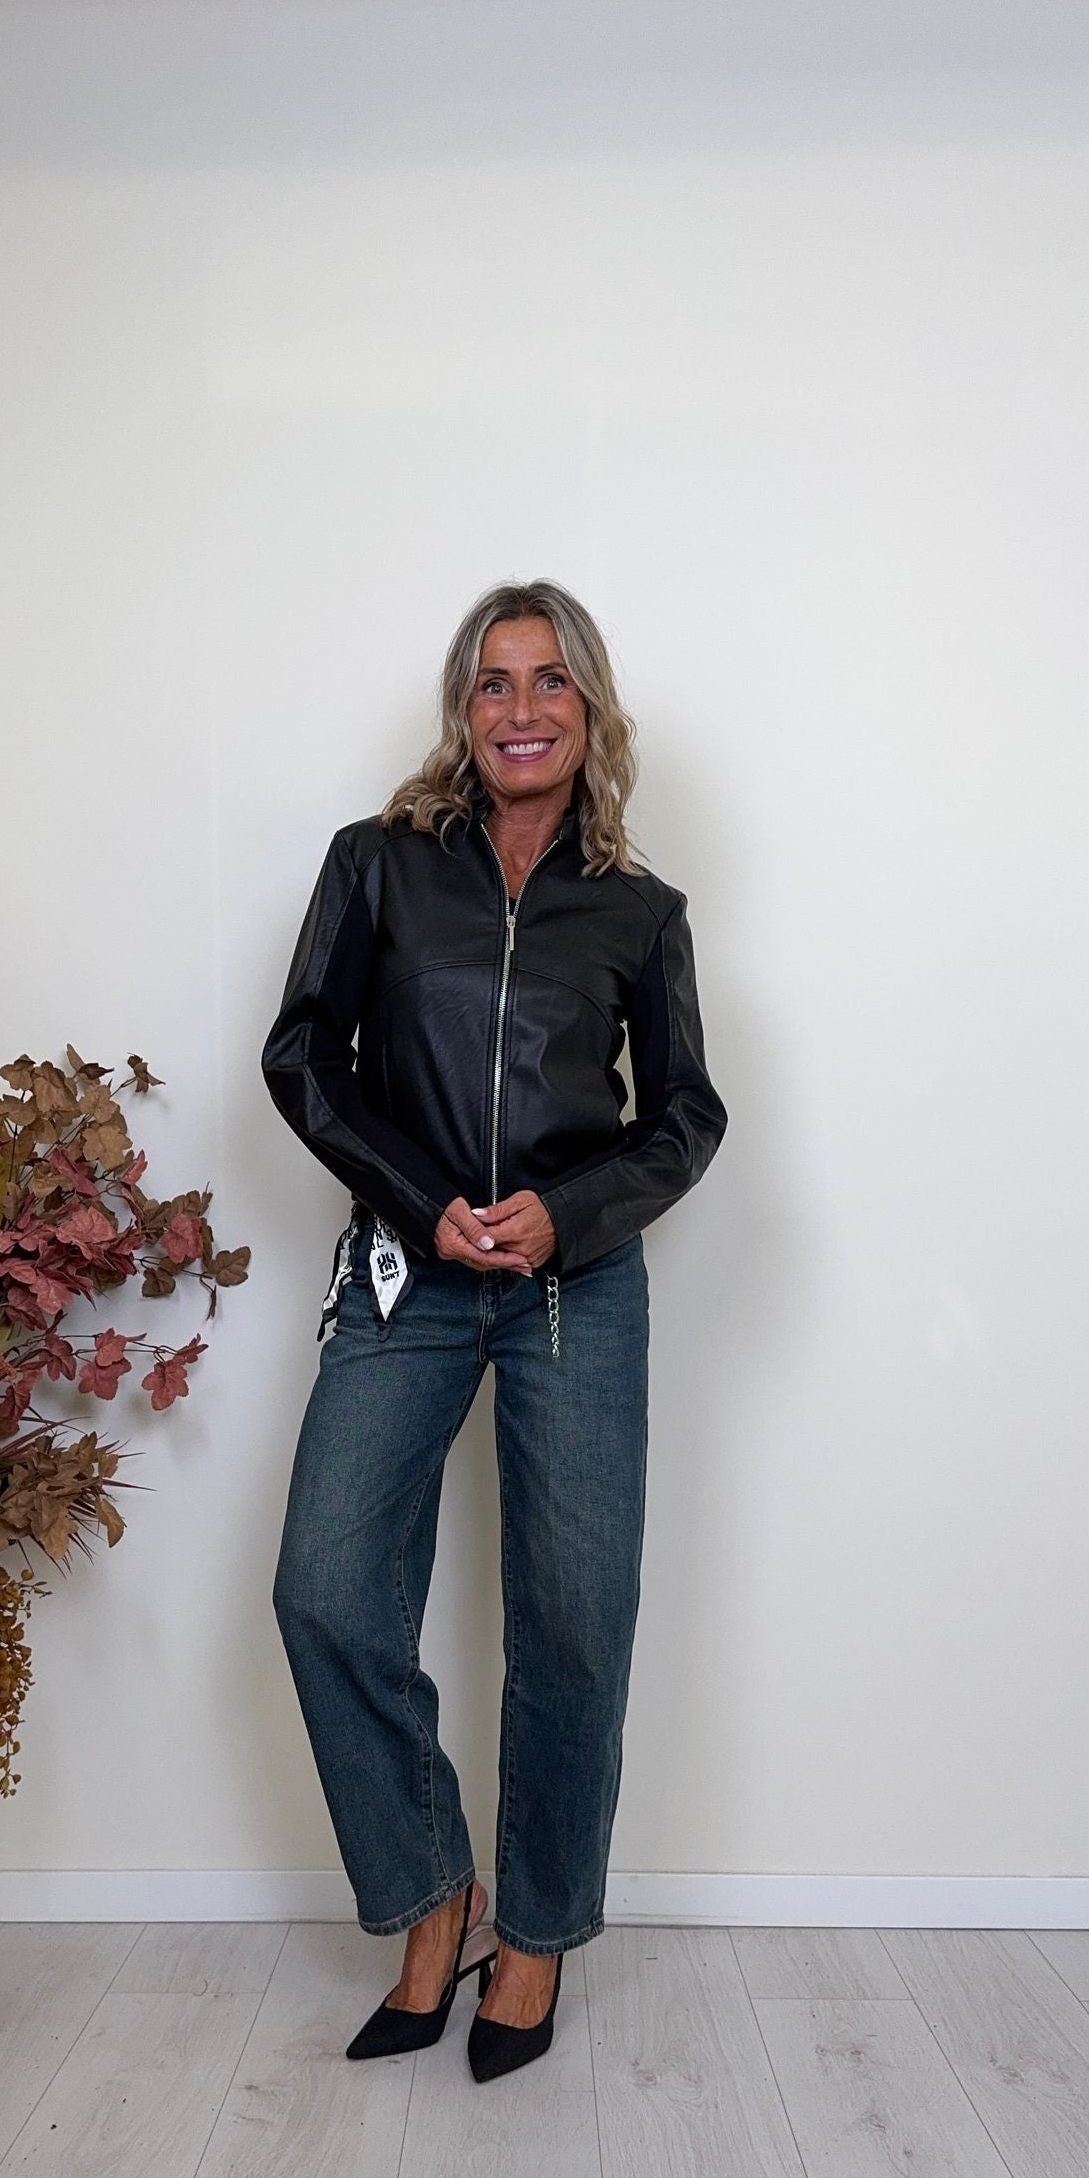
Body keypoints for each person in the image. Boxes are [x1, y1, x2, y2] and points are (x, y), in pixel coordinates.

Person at [261, 578, 727, 2081]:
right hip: (406, 1276)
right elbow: (304, 1057)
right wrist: (422, 1203)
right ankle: (432, 1894)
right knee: (327, 1588)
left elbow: (686, 1118)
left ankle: (534, 1935)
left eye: (549, 681)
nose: (521, 710)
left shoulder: (641, 911)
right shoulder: (380, 864)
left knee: (575, 1621)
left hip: (572, 1290)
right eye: (492, 683)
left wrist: (564, 1216)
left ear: (591, 708)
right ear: (462, 712)